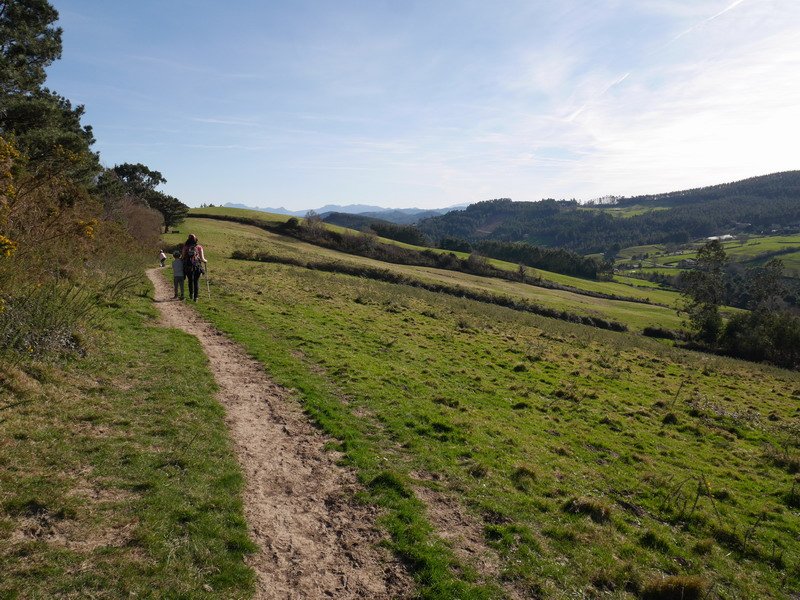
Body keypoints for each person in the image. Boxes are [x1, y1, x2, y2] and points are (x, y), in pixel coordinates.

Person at [181, 234, 207, 302]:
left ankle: (191, 295)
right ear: (196, 239)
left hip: (188, 267)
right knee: (196, 281)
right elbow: (202, 259)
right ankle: (196, 298)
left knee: (190, 281)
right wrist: (205, 261)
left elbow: (183, 257)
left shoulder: (185, 247)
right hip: (197, 267)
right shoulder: (199, 247)